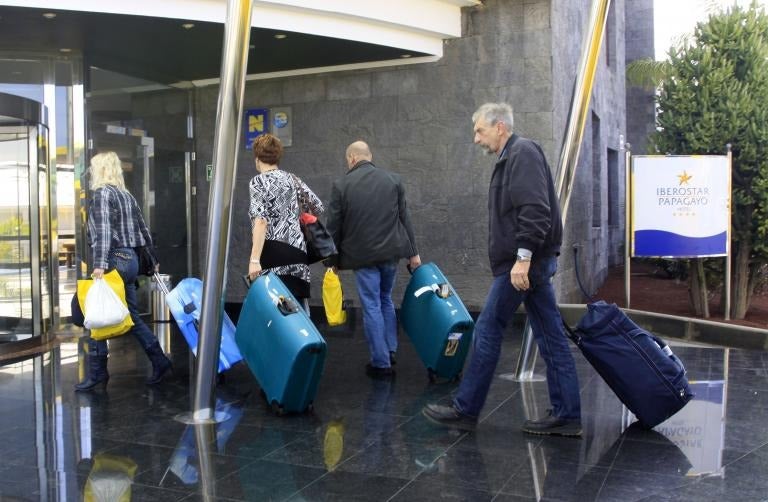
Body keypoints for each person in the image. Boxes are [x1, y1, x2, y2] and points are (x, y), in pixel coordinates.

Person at [422, 103, 582, 436]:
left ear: (499, 127)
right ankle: (567, 415)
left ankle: (466, 409)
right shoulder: (513, 156)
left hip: (523, 265)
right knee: (550, 335)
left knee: (489, 328)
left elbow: (535, 209)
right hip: (527, 264)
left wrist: (522, 258)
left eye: (479, 131)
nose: (476, 139)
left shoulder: (521, 153)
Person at [75, 151, 172, 391]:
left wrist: (99, 264)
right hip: (130, 261)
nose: (90, 171)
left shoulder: (102, 194)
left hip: (112, 260)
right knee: (131, 316)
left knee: (93, 312)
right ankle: (160, 360)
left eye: (93, 167)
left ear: (100, 170)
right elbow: (144, 230)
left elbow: (105, 233)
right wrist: (153, 258)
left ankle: (98, 373)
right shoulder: (127, 195)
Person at [325, 141, 421, 378]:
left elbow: (333, 227)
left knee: (371, 305)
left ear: (351, 159)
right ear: (369, 156)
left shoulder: (342, 185)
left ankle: (380, 363)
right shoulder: (393, 180)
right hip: (391, 254)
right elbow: (404, 218)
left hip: (362, 257)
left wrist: (331, 261)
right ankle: (390, 349)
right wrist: (413, 253)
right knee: (385, 299)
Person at [247, 133, 324, 308]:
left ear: (257, 158)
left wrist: (254, 260)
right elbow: (317, 207)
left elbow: (261, 221)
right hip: (298, 253)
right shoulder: (293, 179)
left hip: (273, 252)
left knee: (275, 309)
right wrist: (292, 214)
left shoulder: (258, 182)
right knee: (297, 309)